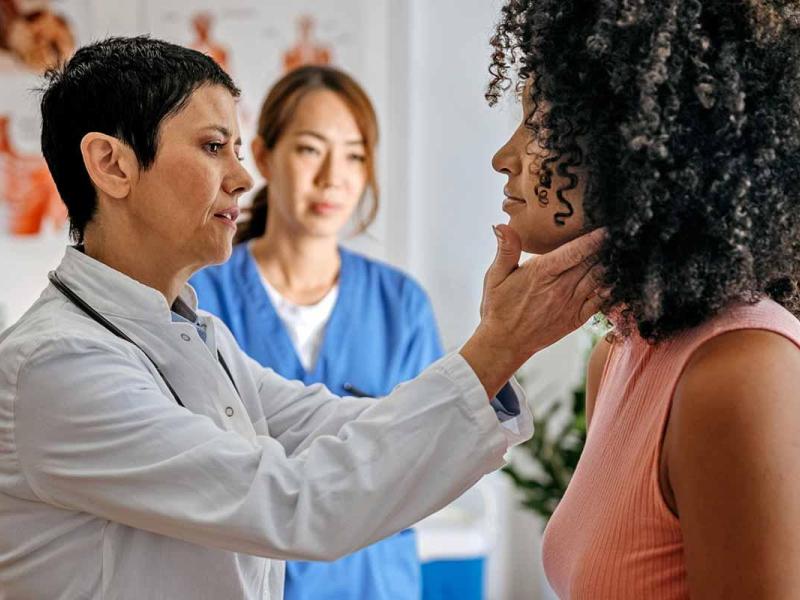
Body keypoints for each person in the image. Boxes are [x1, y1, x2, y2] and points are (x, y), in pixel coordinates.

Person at [0, 36, 604, 599]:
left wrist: (498, 354)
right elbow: (295, 504)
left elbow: (335, 424)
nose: (242, 178)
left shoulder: (191, 334)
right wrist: (499, 346)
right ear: (111, 164)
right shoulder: (60, 368)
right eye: (214, 148)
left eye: (236, 151)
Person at [488, 1, 800, 598]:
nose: (505, 158)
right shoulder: (617, 354)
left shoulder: (741, 373)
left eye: (540, 123)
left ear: (637, 145)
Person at [190, 65, 443, 600]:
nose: (334, 177)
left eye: (354, 155)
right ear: (262, 157)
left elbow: (431, 462)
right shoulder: (199, 299)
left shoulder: (401, 305)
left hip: (373, 584)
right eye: (310, 149)